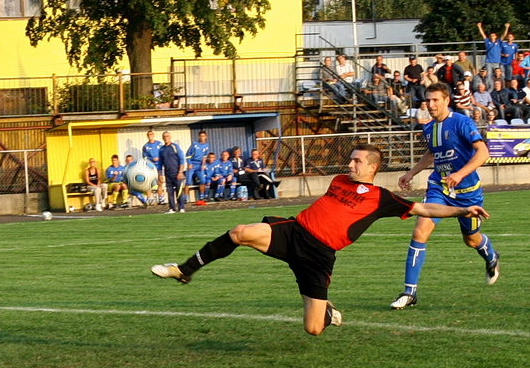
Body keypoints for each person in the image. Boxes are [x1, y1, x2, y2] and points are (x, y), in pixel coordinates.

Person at [151, 144, 490, 336]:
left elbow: (424, 207)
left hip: (319, 256)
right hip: (294, 232)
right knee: (240, 231)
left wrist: (462, 210)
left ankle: (326, 312)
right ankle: (184, 270)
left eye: (357, 160)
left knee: (313, 330)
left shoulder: (382, 198)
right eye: (352, 159)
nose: (350, 163)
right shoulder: (341, 180)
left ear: (372, 167)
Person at [390, 82, 500, 310]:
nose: (430, 105)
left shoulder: (461, 122)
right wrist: (412, 172)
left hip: (467, 193)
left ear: (446, 100)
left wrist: (460, 173)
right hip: (439, 189)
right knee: (420, 231)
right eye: (427, 100)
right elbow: (432, 153)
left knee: (471, 240)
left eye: (435, 100)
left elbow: (483, 152)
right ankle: (410, 292)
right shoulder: (429, 128)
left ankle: (490, 255)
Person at [159, 131, 186, 214]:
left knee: (179, 190)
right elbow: (160, 163)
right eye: (164, 136)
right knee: (169, 191)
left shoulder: (175, 146)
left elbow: (181, 159)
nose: (166, 137)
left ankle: (181, 208)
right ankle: (172, 208)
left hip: (176, 171)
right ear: (163, 138)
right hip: (167, 173)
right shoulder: (161, 149)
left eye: (167, 136)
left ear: (170, 137)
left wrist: (180, 172)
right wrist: (160, 174)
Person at [185, 131, 210, 202]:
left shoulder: (206, 146)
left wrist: (203, 165)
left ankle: (201, 196)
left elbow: (204, 156)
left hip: (199, 165)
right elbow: (187, 154)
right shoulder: (194, 144)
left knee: (203, 180)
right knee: (188, 181)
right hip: (192, 164)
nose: (202, 137)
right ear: (199, 137)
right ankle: (185, 198)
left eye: (203, 136)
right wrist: (189, 163)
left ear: (206, 137)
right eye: (201, 136)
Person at [141, 130, 165, 204]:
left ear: (153, 135)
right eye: (149, 134)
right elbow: (144, 158)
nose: (150, 135)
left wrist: (161, 159)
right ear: (147, 136)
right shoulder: (145, 146)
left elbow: (163, 153)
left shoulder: (159, 144)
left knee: (160, 182)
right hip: (150, 168)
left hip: (159, 166)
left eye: (151, 134)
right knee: (149, 183)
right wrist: (151, 159)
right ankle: (148, 199)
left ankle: (161, 198)